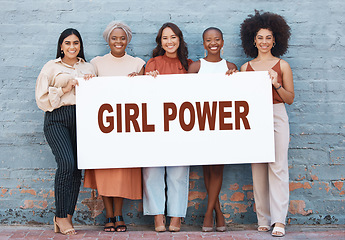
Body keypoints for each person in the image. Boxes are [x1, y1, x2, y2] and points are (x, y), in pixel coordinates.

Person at [83, 21, 145, 232]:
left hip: (127, 127)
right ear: (107, 40)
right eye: (114, 38)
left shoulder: (137, 64)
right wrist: (89, 80)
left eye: (122, 38)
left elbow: (146, 94)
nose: (118, 42)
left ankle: (118, 214)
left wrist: (142, 79)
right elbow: (89, 89)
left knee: (121, 172)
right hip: (104, 128)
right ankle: (109, 214)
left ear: (128, 40)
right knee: (105, 171)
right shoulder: (97, 63)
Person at [35, 28, 95, 235]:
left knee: (77, 168)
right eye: (67, 43)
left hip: (82, 119)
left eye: (76, 43)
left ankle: (67, 215)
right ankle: (60, 216)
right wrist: (64, 89)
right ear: (61, 46)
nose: (72, 47)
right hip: (57, 119)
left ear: (80, 45)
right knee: (66, 164)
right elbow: (41, 99)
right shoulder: (51, 67)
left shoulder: (88, 67)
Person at [240, 11, 294, 237]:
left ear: (275, 40)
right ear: (253, 40)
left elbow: (290, 98)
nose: (264, 42)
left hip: (276, 114)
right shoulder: (246, 67)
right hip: (254, 117)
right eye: (260, 37)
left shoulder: (282, 66)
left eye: (268, 37)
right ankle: (263, 218)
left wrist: (276, 85)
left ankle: (279, 220)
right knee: (258, 168)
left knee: (278, 166)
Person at [143, 22, 193, 232]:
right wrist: (147, 80)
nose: (169, 41)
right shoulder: (152, 63)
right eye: (165, 38)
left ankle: (176, 216)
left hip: (180, 126)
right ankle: (157, 215)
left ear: (179, 40)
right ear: (160, 41)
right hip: (155, 125)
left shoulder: (189, 65)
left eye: (173, 37)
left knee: (178, 172)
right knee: (152, 170)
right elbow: (142, 95)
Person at [189, 27, 237, 232]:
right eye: (208, 40)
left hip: (222, 125)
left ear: (223, 42)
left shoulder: (231, 66)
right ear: (203, 43)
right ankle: (218, 212)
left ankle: (209, 214)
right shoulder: (196, 66)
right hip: (201, 122)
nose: (213, 43)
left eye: (217, 39)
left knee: (218, 167)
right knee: (207, 168)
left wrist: (235, 77)